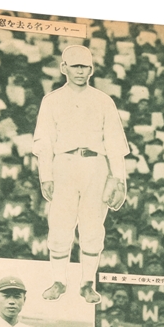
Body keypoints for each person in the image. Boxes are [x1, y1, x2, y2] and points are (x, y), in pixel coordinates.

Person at [32, 45, 129, 304]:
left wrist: (119, 179)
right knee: (60, 224)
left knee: (93, 226)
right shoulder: (51, 100)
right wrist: (46, 176)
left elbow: (115, 143)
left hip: (96, 165)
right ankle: (58, 281)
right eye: (74, 66)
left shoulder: (103, 100)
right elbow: (43, 142)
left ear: (92, 69)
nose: (79, 71)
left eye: (84, 67)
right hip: (63, 164)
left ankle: (88, 283)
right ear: (64, 68)